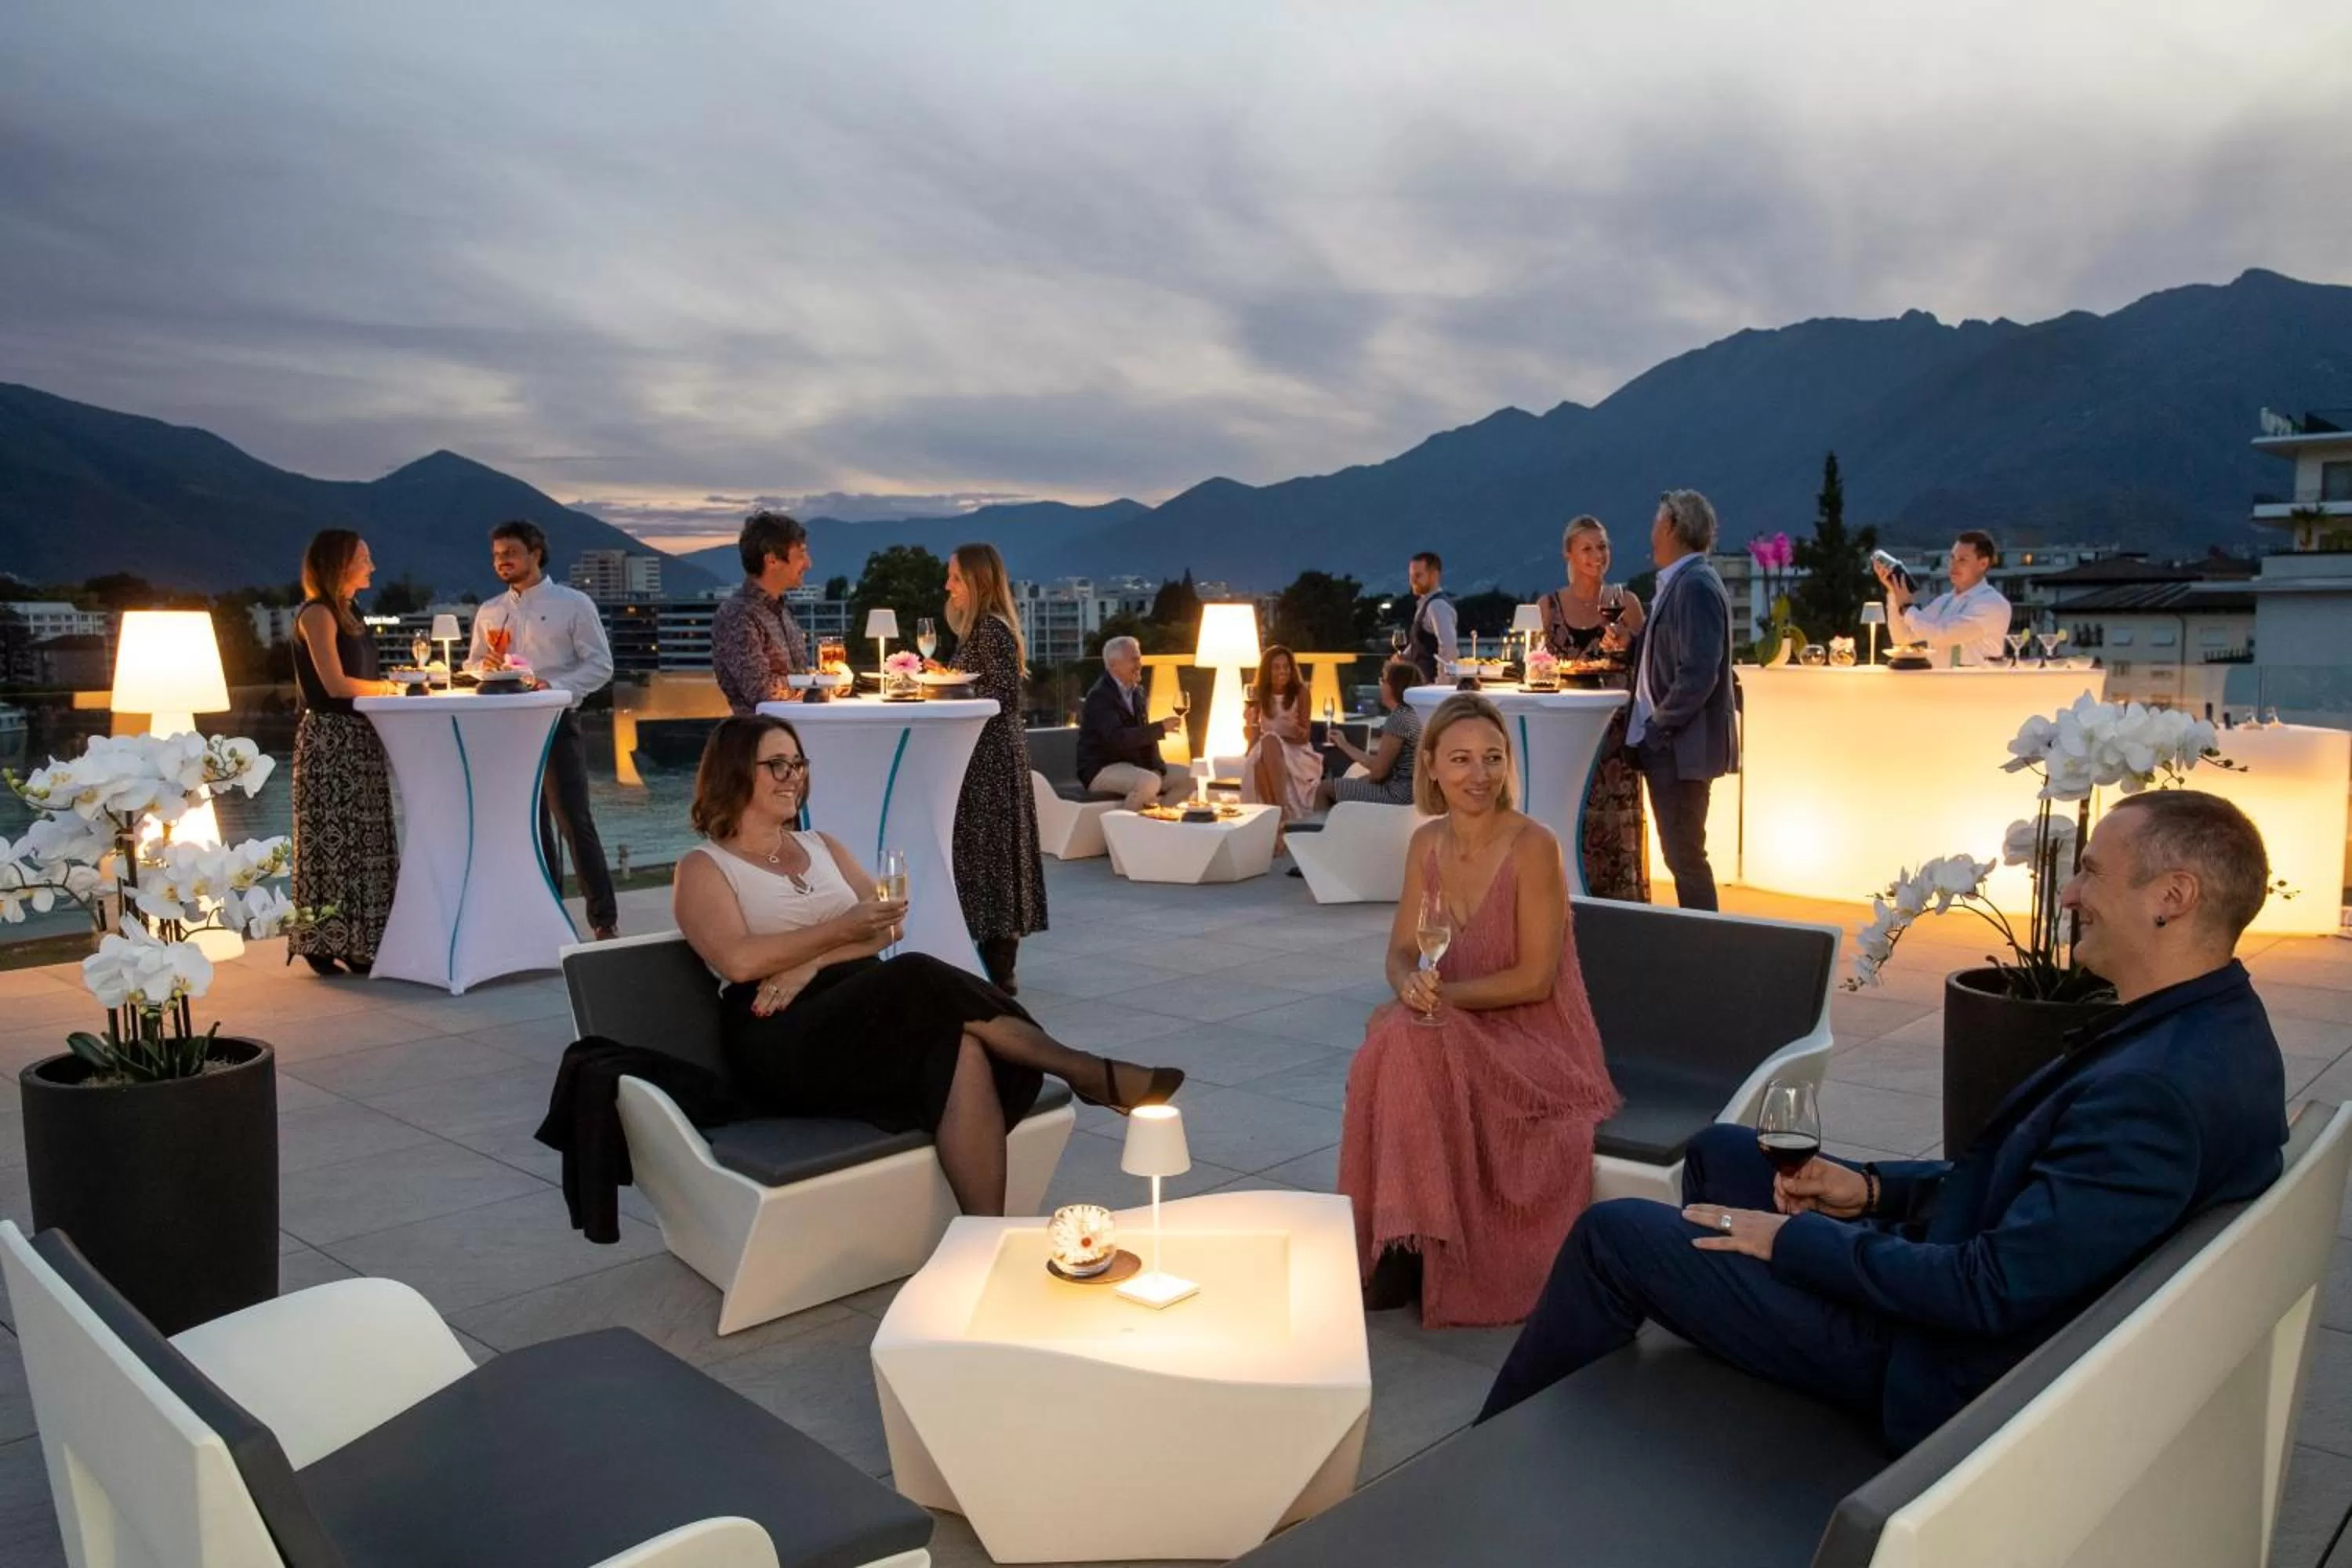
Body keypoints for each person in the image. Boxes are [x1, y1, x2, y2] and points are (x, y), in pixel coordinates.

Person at [1480, 789, 2288, 1454]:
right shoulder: (2205, 1029)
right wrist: (1869, 1191)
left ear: (2172, 897)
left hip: (1928, 1358)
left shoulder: (2153, 1093)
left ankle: (1497, 1467)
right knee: (1727, 1152)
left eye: (2091, 872)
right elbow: (2031, 1194)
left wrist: (1793, 1242)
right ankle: (1723, 1330)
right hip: (1943, 1286)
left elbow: (1988, 1291)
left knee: (1616, 1234)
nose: (2071, 894)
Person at [673, 717, 1182, 1214]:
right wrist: (842, 929)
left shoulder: (821, 845)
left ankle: (985, 1235)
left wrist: (814, 961)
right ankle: (1083, 1070)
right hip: (778, 1032)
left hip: (859, 1012)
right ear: (735, 771)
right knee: (915, 972)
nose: (793, 777)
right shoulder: (705, 866)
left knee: (960, 1048)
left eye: (798, 764)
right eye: (777, 765)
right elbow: (739, 960)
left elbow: (886, 927)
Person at [1338, 693, 1621, 1327]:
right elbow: (1401, 952)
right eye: (1461, 759)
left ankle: (1403, 1245)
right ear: (1431, 766)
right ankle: (1407, 1233)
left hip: (1536, 1041)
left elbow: (1535, 980)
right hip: (1454, 1028)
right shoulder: (1426, 844)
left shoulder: (1534, 846)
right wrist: (1409, 986)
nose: (1480, 774)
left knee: (1402, 1036)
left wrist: (1438, 998)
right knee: (1400, 1031)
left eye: (1493, 758)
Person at [468, 519, 620, 941]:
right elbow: (472, 664)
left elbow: (601, 666)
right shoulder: (490, 611)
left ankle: (603, 920)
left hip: (555, 721)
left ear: (535, 554)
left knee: (574, 822)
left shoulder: (573, 604)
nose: (502, 561)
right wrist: (485, 667)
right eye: (497, 555)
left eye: (510, 553)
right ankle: (547, 916)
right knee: (529, 826)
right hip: (507, 728)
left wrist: (554, 686)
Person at [286, 530, 402, 976]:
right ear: (340, 564)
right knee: (334, 841)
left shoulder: (351, 612)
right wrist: (391, 688)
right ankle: (325, 942)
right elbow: (334, 685)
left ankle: (361, 941)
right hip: (331, 740)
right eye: (364, 558)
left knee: (365, 841)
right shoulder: (318, 614)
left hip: (360, 737)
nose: (372, 566)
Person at [944, 543, 1047, 994]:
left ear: (977, 581)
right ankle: (993, 967)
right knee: (991, 855)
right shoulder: (980, 630)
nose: (948, 586)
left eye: (955, 578)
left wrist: (949, 686)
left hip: (992, 762)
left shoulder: (991, 630)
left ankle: (1000, 973)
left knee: (994, 855)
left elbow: (1000, 697)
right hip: (987, 759)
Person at [1627, 490, 1736, 911]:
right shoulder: (1683, 582)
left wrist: (1659, 726)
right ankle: (1701, 936)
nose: (1651, 533)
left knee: (1685, 856)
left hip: (1679, 748)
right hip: (1671, 744)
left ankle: (1705, 940)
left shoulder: (1694, 585)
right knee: (1681, 854)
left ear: (1672, 526)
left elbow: (1699, 672)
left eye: (1656, 523)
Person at [1541, 515, 1651, 902]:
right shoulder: (1549, 606)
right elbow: (1538, 664)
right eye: (1587, 548)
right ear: (1568, 555)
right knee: (1573, 812)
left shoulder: (1627, 603)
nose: (1597, 555)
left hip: (1617, 734)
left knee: (1617, 823)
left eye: (1602, 546)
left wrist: (1626, 644)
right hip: (1568, 732)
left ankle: (1622, 909)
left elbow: (1647, 664)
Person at [711, 510, 814, 714]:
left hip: (796, 729)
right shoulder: (737, 616)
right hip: (762, 732)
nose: (808, 564)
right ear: (772, 560)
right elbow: (762, 691)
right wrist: (816, 684)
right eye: (801, 554)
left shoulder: (782, 611)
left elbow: (797, 676)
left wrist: (820, 681)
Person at [1076, 634, 1187, 809]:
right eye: (1134, 660)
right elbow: (1118, 739)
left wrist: (1157, 767)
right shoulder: (1100, 696)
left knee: (1189, 777)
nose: (1139, 665)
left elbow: (1145, 739)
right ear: (1114, 664)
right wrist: (1160, 728)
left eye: (1139, 659)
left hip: (1132, 766)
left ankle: (1158, 820)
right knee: (1148, 782)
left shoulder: (1137, 692)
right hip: (1101, 769)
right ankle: (1124, 826)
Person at [1878, 531, 2012, 667]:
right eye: (1952, 557)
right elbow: (1903, 638)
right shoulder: (1944, 602)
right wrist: (1894, 593)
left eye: (1962, 560)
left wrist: (1906, 608)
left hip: (1976, 681)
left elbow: (1942, 635)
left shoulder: (1993, 604)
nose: (1953, 564)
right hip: (1939, 679)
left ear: (1983, 564)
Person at [1313, 658, 1421, 810]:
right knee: (1350, 783)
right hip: (1412, 793)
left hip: (1397, 796)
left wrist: (1345, 746)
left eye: (1383, 681)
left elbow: (1379, 772)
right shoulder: (1415, 714)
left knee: (1324, 789)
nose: (1381, 686)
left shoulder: (1398, 719)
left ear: (1394, 686)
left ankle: (1325, 826)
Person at [1240, 644, 1321, 826]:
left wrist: (1290, 730)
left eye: (1286, 667)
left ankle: (1279, 812)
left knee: (1269, 741)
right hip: (1267, 748)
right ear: (1267, 671)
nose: (1282, 672)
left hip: (1296, 749)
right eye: (1276, 667)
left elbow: (1305, 736)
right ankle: (1277, 816)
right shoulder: (1258, 693)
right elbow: (1252, 736)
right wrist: (1249, 723)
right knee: (1259, 762)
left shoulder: (1301, 692)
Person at [1403, 550, 1459, 684]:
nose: (1412, 581)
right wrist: (1404, 657)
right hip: (1425, 684)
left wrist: (1441, 686)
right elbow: (1422, 642)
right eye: (1411, 576)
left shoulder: (1437, 606)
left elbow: (1448, 648)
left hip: (1431, 685)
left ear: (1434, 575)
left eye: (1418, 575)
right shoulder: (1427, 604)